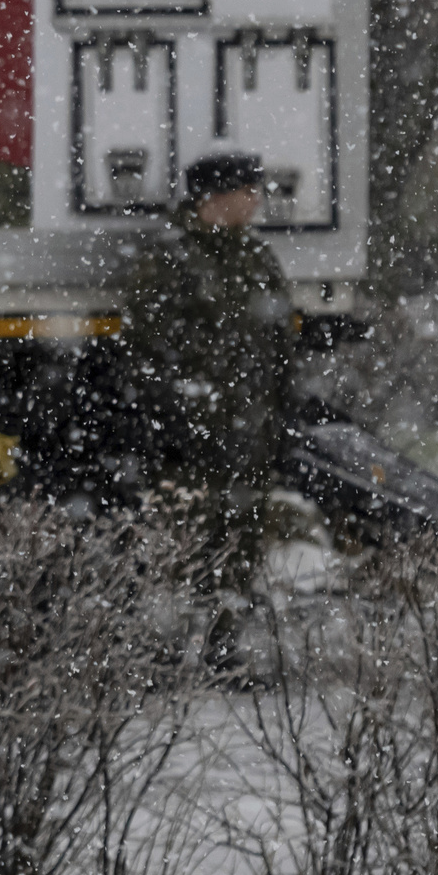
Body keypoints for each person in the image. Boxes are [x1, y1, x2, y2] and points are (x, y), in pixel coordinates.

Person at [113, 151, 296, 639]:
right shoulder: (170, 259)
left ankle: (223, 643)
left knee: (240, 541)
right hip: (194, 441)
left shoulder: (255, 255)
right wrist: (193, 410)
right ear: (214, 198)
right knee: (186, 542)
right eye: (246, 191)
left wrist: (278, 408)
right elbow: (149, 347)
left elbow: (279, 339)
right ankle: (166, 648)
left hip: (249, 433)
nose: (256, 202)